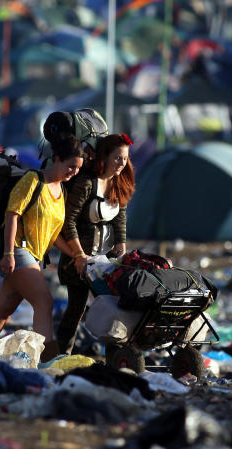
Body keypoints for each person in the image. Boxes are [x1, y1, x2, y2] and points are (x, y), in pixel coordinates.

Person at [0, 134, 84, 362]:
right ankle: (47, 361)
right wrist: (8, 253)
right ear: (57, 159)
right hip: (19, 252)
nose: (74, 172)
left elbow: (54, 236)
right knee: (45, 303)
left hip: (34, 257)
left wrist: (78, 255)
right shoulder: (33, 180)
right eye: (71, 166)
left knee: (3, 312)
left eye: (78, 168)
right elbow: (12, 215)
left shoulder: (61, 193)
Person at [55, 133, 136, 354]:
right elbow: (67, 221)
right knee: (76, 309)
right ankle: (62, 355)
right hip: (80, 259)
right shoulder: (86, 183)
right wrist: (79, 255)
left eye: (125, 159)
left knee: (115, 308)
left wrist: (121, 243)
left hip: (106, 259)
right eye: (117, 158)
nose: (121, 163)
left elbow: (120, 215)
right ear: (105, 157)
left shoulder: (119, 181)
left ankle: (116, 357)